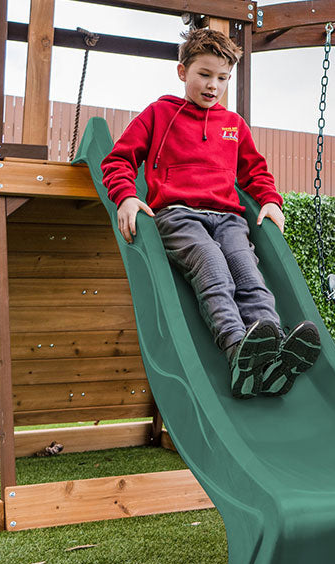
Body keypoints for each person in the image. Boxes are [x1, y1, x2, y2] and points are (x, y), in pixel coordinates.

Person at [101, 27, 320, 399]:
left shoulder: (233, 125)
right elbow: (118, 160)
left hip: (228, 218)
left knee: (248, 274)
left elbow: (255, 172)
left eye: (222, 78)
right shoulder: (159, 114)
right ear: (182, 71)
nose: (213, 85)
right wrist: (125, 197)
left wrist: (270, 200)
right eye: (204, 74)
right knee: (212, 265)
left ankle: (272, 357)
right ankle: (237, 349)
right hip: (177, 215)